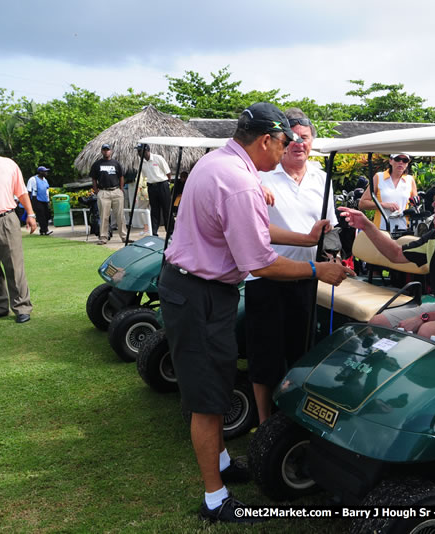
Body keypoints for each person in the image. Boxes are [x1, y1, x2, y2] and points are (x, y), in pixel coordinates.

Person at [158, 103, 353, 524]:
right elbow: (262, 261)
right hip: (200, 293)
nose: (286, 150)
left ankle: (224, 463)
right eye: (284, 142)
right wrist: (318, 268)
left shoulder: (221, 163)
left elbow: (254, 226)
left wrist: (303, 237)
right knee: (208, 398)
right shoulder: (241, 182)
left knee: (216, 380)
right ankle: (216, 499)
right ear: (266, 139)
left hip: (198, 289)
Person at [246, 108, 339, 425]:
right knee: (264, 356)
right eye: (294, 137)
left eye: (306, 137)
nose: (299, 143)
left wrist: (333, 256)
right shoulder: (261, 175)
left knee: (301, 352)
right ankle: (264, 422)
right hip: (266, 277)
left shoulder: (321, 178)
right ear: (282, 140)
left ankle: (295, 417)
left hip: (306, 277)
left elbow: (329, 229)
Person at [340, 177, 435, 344]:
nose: (434, 205)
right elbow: (396, 254)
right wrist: (366, 226)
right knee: (378, 323)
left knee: (428, 331)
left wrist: (424, 318)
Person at [0, 131, 37, 323]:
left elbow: (22, 191)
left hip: (6, 219)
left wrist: (31, 214)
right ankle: (1, 306)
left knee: (14, 266)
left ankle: (21, 307)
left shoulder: (9, 165)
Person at [358, 153, 417, 233]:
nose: (401, 162)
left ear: (407, 164)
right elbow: (362, 203)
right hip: (381, 229)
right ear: (390, 161)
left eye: (405, 160)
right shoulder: (379, 177)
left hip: (403, 229)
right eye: (397, 159)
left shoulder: (410, 180)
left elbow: (416, 205)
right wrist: (383, 205)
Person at [90, 143, 126, 245]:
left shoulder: (116, 163)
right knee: (104, 216)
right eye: (104, 150)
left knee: (120, 215)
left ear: (111, 151)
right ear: (102, 151)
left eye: (108, 150)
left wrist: (121, 188)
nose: (106, 151)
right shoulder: (97, 164)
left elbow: (121, 176)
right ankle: (103, 237)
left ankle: (124, 237)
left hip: (116, 190)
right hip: (103, 192)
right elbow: (93, 178)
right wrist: (96, 190)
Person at [135, 143, 172, 236]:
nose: (138, 153)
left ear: (146, 150)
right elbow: (145, 176)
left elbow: (168, 173)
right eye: (138, 151)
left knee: (166, 209)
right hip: (151, 186)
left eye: (140, 151)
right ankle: (154, 232)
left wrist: (167, 183)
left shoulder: (158, 158)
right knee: (154, 210)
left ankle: (171, 232)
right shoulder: (141, 162)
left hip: (162, 185)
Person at [27, 166, 53, 235]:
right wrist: (29, 202)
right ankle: (45, 230)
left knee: (47, 214)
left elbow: (47, 190)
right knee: (41, 215)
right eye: (45, 171)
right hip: (36, 199)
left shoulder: (45, 180)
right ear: (40, 172)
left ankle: (43, 230)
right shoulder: (33, 179)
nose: (46, 173)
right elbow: (29, 191)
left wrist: (48, 200)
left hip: (44, 199)